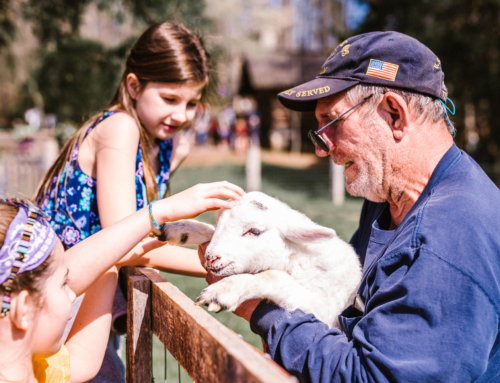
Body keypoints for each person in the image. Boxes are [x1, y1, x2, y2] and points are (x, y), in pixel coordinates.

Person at [204, 31, 500, 382]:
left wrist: (263, 310)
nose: (321, 147)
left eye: (331, 122)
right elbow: (349, 317)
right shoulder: (386, 201)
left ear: (393, 114)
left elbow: (372, 377)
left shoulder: (448, 239)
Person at [33, 22, 213, 380]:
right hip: (62, 301)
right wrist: (220, 264)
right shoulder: (120, 128)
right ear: (134, 85)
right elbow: (123, 244)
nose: (182, 115)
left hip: (89, 295)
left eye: (192, 103)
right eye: (170, 99)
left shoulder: (160, 142)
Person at [0, 182, 244, 382]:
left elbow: (82, 359)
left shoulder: (35, 369)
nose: (72, 293)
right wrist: (156, 213)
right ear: (23, 310)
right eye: (65, 285)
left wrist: (114, 261)